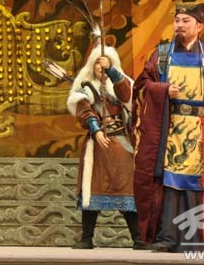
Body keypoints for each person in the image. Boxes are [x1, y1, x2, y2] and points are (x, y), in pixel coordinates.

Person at [132, 3, 204, 252]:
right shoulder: (161, 55)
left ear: (199, 26)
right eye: (177, 20)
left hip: (202, 129)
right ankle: (168, 237)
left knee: (202, 182)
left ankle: (203, 238)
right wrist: (163, 90)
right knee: (170, 181)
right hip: (170, 127)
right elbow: (142, 86)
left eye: (185, 21)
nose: (179, 25)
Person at [66, 38, 141, 250]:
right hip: (98, 146)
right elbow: (84, 110)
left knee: (127, 190)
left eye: (106, 62)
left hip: (122, 145)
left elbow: (127, 96)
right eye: (98, 62)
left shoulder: (120, 85)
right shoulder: (85, 88)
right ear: (92, 66)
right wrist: (96, 129)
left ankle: (138, 239)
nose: (101, 66)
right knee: (92, 189)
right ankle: (86, 238)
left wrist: (113, 73)